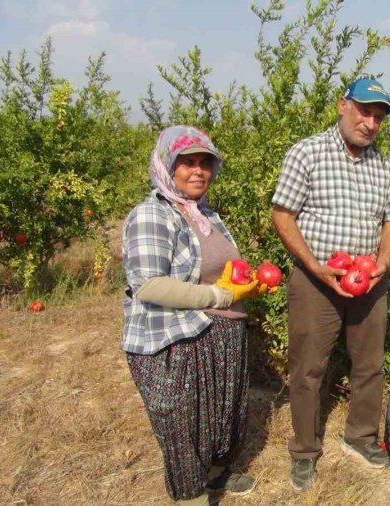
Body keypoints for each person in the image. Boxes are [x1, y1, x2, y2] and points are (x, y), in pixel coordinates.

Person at [271, 77, 390, 491]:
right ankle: (304, 450)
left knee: (369, 363)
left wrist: (383, 262)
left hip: (367, 281)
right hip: (317, 280)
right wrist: (315, 267)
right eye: (363, 110)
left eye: (378, 116)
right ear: (342, 105)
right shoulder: (308, 152)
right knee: (308, 367)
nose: (369, 122)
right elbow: (283, 215)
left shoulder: (383, 164)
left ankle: (361, 436)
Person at [121, 126, 260, 505]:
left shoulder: (205, 214)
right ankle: (191, 494)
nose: (198, 171)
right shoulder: (151, 214)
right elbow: (148, 284)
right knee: (184, 426)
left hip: (221, 330)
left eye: (205, 163)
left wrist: (246, 285)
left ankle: (216, 474)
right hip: (177, 338)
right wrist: (218, 294)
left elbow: (220, 270)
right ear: (167, 166)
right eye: (187, 163)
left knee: (219, 416)